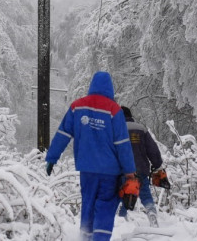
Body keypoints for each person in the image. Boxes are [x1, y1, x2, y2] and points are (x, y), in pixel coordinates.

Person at [45, 71, 136, 241]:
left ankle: (85, 237)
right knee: (105, 207)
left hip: (87, 170)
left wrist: (52, 158)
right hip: (110, 172)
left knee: (88, 204)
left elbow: (63, 133)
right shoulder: (114, 111)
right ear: (110, 88)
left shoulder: (77, 107)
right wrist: (130, 172)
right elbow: (122, 144)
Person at [117, 105, 163, 227]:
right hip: (141, 169)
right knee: (146, 195)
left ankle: (121, 223)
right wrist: (157, 164)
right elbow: (153, 150)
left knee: (123, 196)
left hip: (122, 171)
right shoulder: (141, 129)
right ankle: (151, 213)